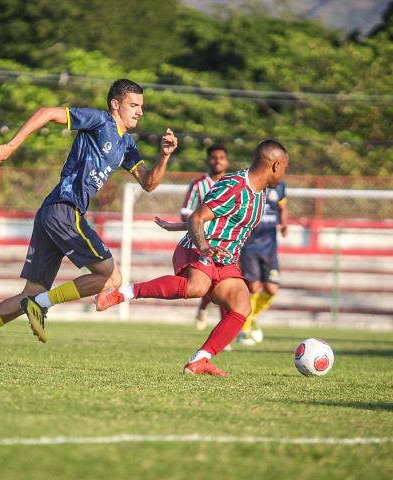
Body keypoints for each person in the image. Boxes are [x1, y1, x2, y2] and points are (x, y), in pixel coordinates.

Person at [0, 79, 178, 364]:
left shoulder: (127, 145)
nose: (140, 112)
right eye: (134, 105)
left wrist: (165, 156)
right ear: (115, 104)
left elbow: (148, 183)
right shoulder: (99, 121)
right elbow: (46, 112)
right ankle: (41, 304)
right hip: (64, 209)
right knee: (111, 277)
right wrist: (11, 146)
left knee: (30, 292)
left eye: (142, 107)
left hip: (53, 212)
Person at [95, 140, 289, 376]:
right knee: (197, 286)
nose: (285, 173)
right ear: (276, 165)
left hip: (224, 260)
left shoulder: (261, 195)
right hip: (198, 249)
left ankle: (201, 360)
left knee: (241, 304)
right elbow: (197, 218)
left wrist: (178, 225)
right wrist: (205, 247)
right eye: (286, 168)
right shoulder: (235, 185)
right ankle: (121, 294)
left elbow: (215, 217)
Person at [179, 145, 230, 331]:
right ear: (208, 160)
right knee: (208, 284)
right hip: (204, 243)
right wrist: (198, 227)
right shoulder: (198, 185)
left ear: (227, 161)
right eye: (214, 157)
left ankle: (219, 325)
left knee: (226, 284)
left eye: (222, 157)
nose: (218, 161)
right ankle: (203, 306)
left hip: (226, 241)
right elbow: (185, 213)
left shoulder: (233, 184)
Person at [236, 180, 288, 346]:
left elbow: (282, 207)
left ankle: (251, 317)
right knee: (253, 288)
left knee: (272, 289)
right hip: (249, 247)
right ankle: (244, 330)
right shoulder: (249, 184)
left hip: (270, 249)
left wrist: (284, 224)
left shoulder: (280, 186)